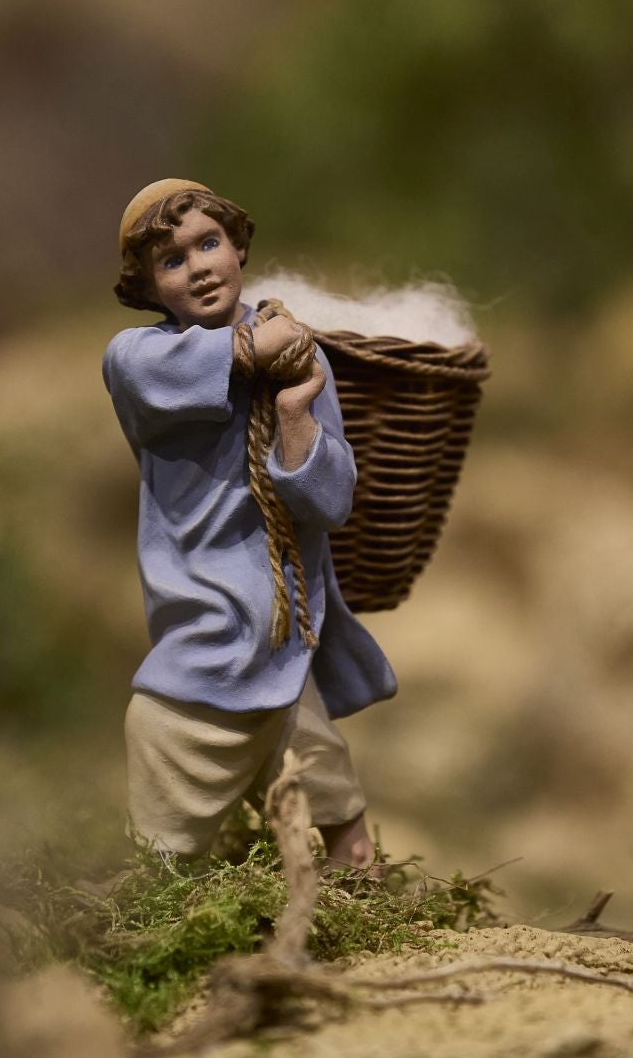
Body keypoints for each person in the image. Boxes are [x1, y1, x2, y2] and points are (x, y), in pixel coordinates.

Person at [103, 178, 396, 868]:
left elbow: (331, 503)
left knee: (341, 817)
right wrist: (262, 348)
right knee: (164, 846)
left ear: (237, 246)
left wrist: (294, 414)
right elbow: (187, 367)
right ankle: (170, 919)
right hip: (204, 643)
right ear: (148, 286)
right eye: (172, 260)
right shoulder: (140, 362)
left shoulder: (301, 360)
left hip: (286, 647)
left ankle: (368, 911)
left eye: (209, 242)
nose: (200, 265)